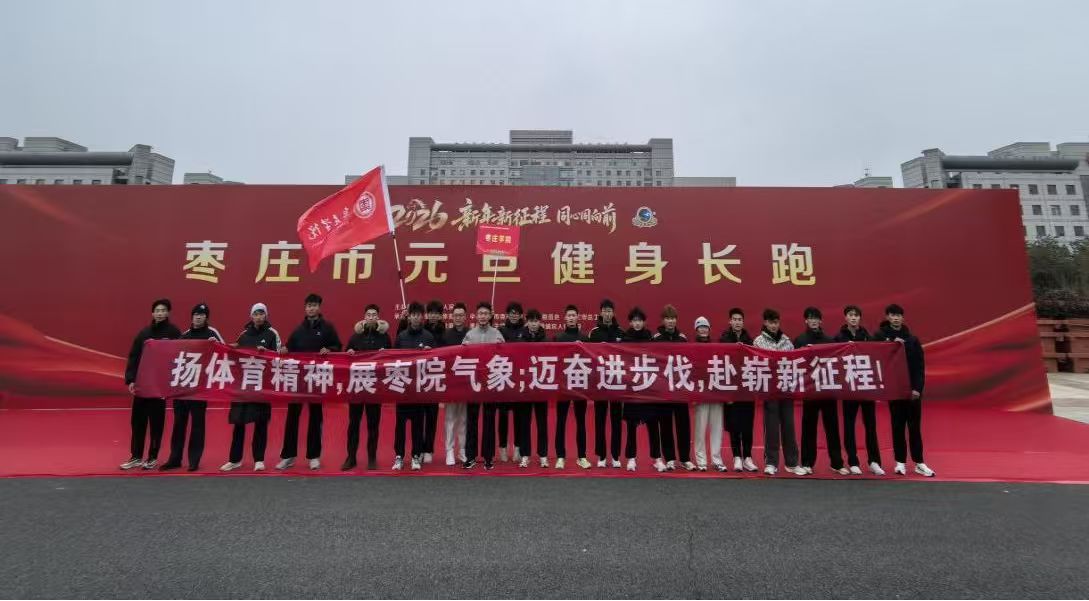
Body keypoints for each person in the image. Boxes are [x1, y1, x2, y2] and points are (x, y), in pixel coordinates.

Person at [276, 293, 341, 471]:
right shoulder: (298, 330)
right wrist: (284, 349)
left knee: (315, 417)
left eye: (314, 305)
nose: (311, 308)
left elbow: (338, 346)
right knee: (292, 417)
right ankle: (288, 456)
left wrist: (329, 349)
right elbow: (288, 347)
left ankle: (314, 456)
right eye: (309, 305)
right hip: (298, 380)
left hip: (317, 379)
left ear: (319, 307)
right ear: (305, 308)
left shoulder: (328, 328)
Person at [872, 304, 935, 477]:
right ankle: (900, 462)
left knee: (914, 428)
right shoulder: (880, 337)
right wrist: (891, 344)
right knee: (897, 427)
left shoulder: (912, 340)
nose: (896, 318)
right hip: (895, 391)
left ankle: (919, 462)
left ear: (902, 318)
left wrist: (917, 389)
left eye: (899, 315)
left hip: (912, 392)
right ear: (887, 317)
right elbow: (874, 354)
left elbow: (919, 367)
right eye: (893, 315)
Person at [121, 298, 181, 470]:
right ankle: (136, 456)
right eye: (157, 310)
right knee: (137, 422)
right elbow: (134, 356)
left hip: (159, 386)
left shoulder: (174, 333)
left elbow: (181, 356)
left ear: (168, 313)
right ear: (152, 313)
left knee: (156, 423)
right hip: (142, 385)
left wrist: (172, 382)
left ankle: (152, 457)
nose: (160, 313)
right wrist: (131, 379)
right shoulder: (144, 333)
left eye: (163, 310)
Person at [161, 303, 223, 471]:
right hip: (182, 388)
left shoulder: (212, 334)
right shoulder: (185, 335)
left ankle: (194, 460)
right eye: (196, 314)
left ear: (206, 317)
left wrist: (216, 345)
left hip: (199, 389)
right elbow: (174, 358)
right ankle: (175, 458)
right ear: (192, 317)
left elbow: (226, 353)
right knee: (178, 424)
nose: (198, 317)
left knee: (197, 425)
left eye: (201, 315)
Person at [221, 303, 280, 472]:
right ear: (251, 316)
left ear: (266, 315)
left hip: (262, 385)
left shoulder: (272, 334)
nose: (258, 317)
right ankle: (235, 459)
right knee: (239, 422)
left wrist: (266, 352)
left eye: (261, 313)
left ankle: (259, 459)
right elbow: (235, 354)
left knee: (260, 423)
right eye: (256, 314)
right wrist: (229, 348)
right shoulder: (244, 335)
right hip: (243, 386)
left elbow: (278, 357)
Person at [794, 307, 849, 476]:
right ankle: (807, 462)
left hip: (827, 390)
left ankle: (837, 463)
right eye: (810, 318)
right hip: (810, 391)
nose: (814, 321)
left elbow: (837, 363)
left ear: (820, 321)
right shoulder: (800, 340)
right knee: (808, 428)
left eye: (816, 318)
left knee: (832, 428)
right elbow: (795, 363)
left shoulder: (829, 340)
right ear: (806, 320)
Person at [753, 309, 806, 476]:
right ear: (765, 323)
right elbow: (755, 365)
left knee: (789, 426)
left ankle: (792, 463)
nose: (774, 325)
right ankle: (771, 462)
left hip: (786, 389)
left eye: (776, 322)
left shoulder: (787, 342)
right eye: (771, 322)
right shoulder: (758, 342)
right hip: (769, 390)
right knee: (771, 428)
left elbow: (794, 363)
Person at [834, 305, 884, 476]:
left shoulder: (868, 337)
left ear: (860, 318)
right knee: (849, 425)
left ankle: (874, 461)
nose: (854, 318)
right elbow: (833, 360)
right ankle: (853, 461)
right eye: (850, 315)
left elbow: (878, 355)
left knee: (870, 425)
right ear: (845, 317)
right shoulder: (839, 338)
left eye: (856, 315)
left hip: (865, 386)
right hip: (849, 388)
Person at [343, 304, 391, 471]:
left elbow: (392, 361)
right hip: (357, 385)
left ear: (378, 317)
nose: (371, 317)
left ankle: (372, 458)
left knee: (373, 424)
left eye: (374, 314)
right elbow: (345, 357)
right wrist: (349, 352)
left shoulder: (384, 337)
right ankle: (351, 458)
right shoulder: (355, 337)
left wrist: (386, 353)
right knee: (353, 424)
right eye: (368, 315)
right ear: (364, 317)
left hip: (375, 387)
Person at [462, 301, 505, 470]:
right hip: (474, 383)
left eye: (486, 313)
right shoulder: (470, 335)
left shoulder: (497, 334)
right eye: (480, 313)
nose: (483, 316)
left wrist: (500, 347)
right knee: (471, 421)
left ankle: (488, 457)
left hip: (490, 383)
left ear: (490, 316)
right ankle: (470, 456)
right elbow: (461, 356)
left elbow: (505, 356)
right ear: (476, 315)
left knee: (489, 420)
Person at [392, 301, 435, 471]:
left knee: (418, 425)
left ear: (422, 317)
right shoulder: (401, 336)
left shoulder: (428, 336)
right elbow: (393, 359)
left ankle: (416, 455)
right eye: (413, 315)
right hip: (403, 387)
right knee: (400, 426)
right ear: (409, 317)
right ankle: (399, 456)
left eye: (419, 315)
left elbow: (436, 361)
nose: (416, 318)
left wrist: (430, 352)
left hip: (419, 388)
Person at [653, 304, 693, 471]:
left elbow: (689, 361)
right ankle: (669, 458)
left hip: (680, 387)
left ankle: (685, 458)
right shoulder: (656, 339)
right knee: (665, 424)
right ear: (663, 320)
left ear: (676, 320)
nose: (670, 321)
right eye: (668, 318)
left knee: (683, 424)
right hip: (663, 389)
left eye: (673, 318)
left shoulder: (682, 338)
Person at [621, 307, 659, 471]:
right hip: (632, 388)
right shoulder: (625, 339)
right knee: (631, 425)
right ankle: (631, 458)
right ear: (630, 322)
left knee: (653, 424)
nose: (637, 323)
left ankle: (657, 458)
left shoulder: (651, 339)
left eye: (640, 320)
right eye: (634, 320)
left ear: (644, 322)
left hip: (649, 387)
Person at [720, 308, 758, 472]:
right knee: (734, 424)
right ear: (730, 321)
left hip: (747, 388)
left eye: (740, 319)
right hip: (731, 389)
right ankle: (736, 457)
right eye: (734, 319)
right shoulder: (723, 340)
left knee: (747, 424)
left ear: (743, 322)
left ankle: (748, 457)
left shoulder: (749, 340)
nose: (737, 322)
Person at [553, 304, 591, 470]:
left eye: (573, 315)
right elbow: (554, 360)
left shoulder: (585, 338)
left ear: (577, 318)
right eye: (568, 315)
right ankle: (560, 456)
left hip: (579, 384)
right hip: (563, 385)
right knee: (560, 421)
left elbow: (591, 361)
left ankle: (582, 456)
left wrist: (582, 347)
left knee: (581, 421)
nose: (571, 318)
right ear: (565, 318)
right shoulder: (558, 338)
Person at [588, 299, 625, 468]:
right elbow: (588, 356)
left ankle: (615, 456)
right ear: (601, 312)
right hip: (600, 382)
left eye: (610, 311)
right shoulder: (594, 333)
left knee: (616, 420)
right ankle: (602, 455)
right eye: (605, 311)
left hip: (616, 381)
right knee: (600, 420)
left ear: (613, 313)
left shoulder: (621, 332)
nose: (607, 314)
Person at [515, 309, 550, 468]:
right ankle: (525, 455)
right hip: (525, 386)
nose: (534, 324)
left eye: (536, 321)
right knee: (524, 423)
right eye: (531, 321)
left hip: (541, 385)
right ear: (527, 322)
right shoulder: (520, 339)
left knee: (542, 423)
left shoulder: (546, 339)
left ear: (540, 322)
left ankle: (543, 455)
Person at [691, 316, 726, 472]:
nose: (703, 329)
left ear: (709, 329)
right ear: (696, 329)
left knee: (717, 426)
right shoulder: (691, 347)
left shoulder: (715, 346)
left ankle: (716, 459)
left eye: (705, 327)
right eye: (700, 327)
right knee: (700, 427)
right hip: (701, 392)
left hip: (715, 391)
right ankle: (701, 460)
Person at [442, 302, 470, 466]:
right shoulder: (446, 335)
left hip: (467, 381)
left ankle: (463, 450)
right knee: (450, 418)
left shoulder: (470, 334)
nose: (458, 318)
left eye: (461, 315)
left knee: (464, 419)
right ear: (452, 317)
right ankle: (449, 450)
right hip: (451, 382)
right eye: (456, 315)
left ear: (465, 317)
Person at [497, 301, 526, 462]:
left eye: (516, 313)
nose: (514, 315)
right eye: (511, 313)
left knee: (519, 416)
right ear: (507, 315)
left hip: (519, 378)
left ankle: (517, 448)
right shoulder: (500, 330)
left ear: (520, 315)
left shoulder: (525, 331)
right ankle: (502, 447)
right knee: (503, 416)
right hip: (504, 377)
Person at [420, 300, 446, 464]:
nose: (434, 316)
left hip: (436, 378)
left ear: (441, 315)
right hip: (420, 377)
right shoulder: (420, 330)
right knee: (419, 417)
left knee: (431, 416)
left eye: (437, 313)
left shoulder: (445, 333)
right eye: (431, 313)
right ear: (427, 315)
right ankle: (418, 449)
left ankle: (428, 449)